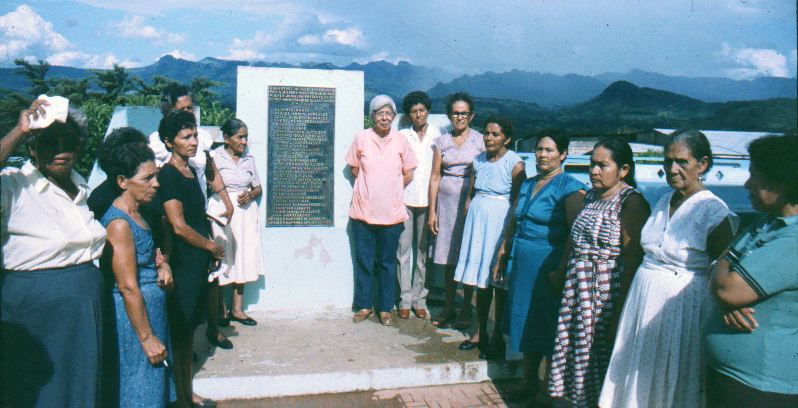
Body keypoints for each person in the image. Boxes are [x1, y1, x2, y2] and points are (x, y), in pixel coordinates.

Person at [599, 130, 738, 408]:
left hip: (682, 310)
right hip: (644, 301)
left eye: (682, 162)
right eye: (667, 161)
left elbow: (727, 270)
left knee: (672, 378)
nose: (672, 169)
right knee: (638, 376)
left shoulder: (715, 211)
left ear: (703, 165)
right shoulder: (665, 201)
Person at [1, 98, 107, 407]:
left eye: (69, 142)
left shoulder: (81, 187)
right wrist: (19, 131)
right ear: (32, 147)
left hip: (83, 311)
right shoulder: (13, 184)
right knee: (37, 392)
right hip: (35, 313)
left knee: (79, 391)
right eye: (48, 142)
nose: (60, 150)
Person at [547, 136, 650, 408]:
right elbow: (574, 238)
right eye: (592, 164)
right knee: (578, 357)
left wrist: (620, 312)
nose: (593, 171)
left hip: (605, 298)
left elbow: (632, 259)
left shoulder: (632, 202)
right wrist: (560, 272)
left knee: (600, 359)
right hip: (577, 290)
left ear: (624, 170)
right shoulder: (590, 196)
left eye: (602, 165)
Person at [704, 134, 798, 407]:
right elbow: (720, 275)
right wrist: (725, 295)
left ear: (781, 184)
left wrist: (725, 290)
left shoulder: (792, 239)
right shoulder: (765, 223)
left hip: (762, 388)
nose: (747, 184)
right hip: (736, 381)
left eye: (754, 175)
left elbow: (726, 287)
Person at [496, 134, 585, 404]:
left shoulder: (571, 188)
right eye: (539, 149)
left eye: (549, 150)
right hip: (522, 265)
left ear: (564, 154)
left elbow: (576, 234)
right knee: (525, 322)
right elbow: (514, 219)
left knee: (547, 326)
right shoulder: (529, 183)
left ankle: (548, 389)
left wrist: (561, 271)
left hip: (549, 266)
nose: (542, 155)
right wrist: (503, 251)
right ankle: (528, 381)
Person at [147, 83, 233, 350]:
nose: (188, 113)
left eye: (190, 107)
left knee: (209, 277)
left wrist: (226, 201)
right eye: (181, 108)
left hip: (199, 212)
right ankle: (183, 347)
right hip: (173, 215)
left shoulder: (201, 138)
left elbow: (211, 170)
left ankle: (212, 328)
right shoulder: (156, 142)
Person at [96, 129, 177, 407]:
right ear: (122, 181)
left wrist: (163, 264)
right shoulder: (119, 224)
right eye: (147, 178)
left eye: (155, 175)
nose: (156, 184)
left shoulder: (140, 214)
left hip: (151, 314)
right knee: (139, 391)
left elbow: (146, 258)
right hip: (135, 323)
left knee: (152, 391)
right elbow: (127, 286)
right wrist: (147, 337)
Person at [157, 110, 222, 408]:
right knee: (181, 336)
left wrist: (208, 255)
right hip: (183, 264)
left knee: (188, 338)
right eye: (186, 137)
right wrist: (211, 246)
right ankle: (181, 398)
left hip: (197, 264)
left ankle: (187, 393)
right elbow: (179, 226)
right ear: (169, 142)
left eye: (195, 135)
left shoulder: (191, 171)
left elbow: (198, 216)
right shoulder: (168, 175)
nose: (193, 142)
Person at [453, 116, 525, 356]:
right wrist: (466, 223)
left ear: (507, 138)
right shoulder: (478, 161)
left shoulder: (515, 164)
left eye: (495, 134)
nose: (489, 138)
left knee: (497, 280)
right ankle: (480, 333)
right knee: (479, 279)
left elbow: (516, 202)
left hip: (499, 223)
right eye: (486, 133)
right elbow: (470, 195)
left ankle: (497, 338)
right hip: (477, 223)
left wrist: (508, 235)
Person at [347, 95, 418, 326]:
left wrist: (390, 190)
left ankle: (386, 308)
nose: (384, 117)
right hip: (363, 213)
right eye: (380, 113)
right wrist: (370, 190)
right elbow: (355, 170)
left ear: (394, 117)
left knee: (388, 262)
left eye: (389, 113)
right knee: (365, 261)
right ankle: (365, 305)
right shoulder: (361, 138)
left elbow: (408, 173)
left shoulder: (401, 141)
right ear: (372, 117)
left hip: (392, 214)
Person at [428, 92, 486, 328]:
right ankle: (449, 306)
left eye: (464, 113)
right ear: (449, 115)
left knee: (469, 255)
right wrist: (432, 211)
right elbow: (434, 176)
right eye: (455, 113)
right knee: (450, 258)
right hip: (447, 204)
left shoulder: (481, 141)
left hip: (471, 204)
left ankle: (466, 309)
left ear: (471, 115)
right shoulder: (441, 142)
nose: (459, 117)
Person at [211, 118, 264, 326]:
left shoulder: (249, 158)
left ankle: (237, 309)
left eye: (246, 137)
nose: (244, 141)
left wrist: (250, 194)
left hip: (245, 213)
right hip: (223, 212)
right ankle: (220, 310)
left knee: (242, 256)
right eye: (239, 137)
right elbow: (210, 184)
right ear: (226, 138)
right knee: (224, 255)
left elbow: (258, 187)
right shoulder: (215, 157)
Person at [396, 91, 442, 319]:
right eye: (413, 111)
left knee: (423, 252)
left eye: (421, 110)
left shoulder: (437, 134)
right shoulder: (402, 135)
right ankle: (404, 299)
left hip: (429, 201)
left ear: (428, 111)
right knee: (403, 251)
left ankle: (419, 298)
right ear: (408, 114)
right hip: (405, 199)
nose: (418, 115)